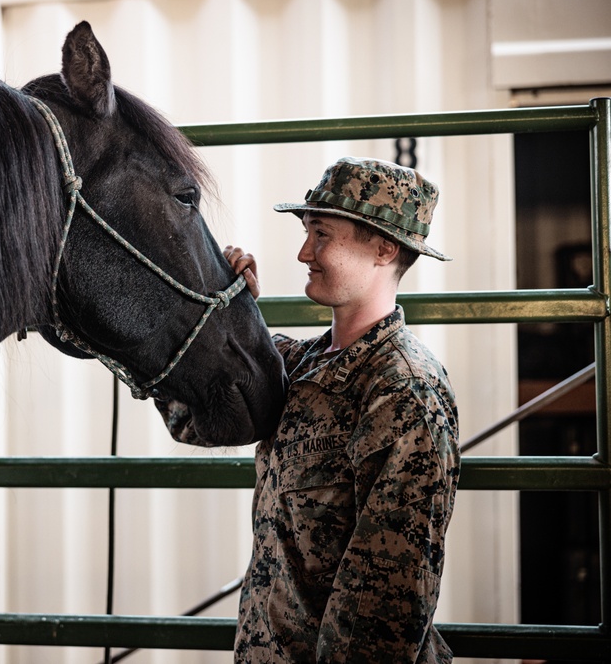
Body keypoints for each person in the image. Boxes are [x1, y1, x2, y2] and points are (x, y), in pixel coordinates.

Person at [159, 156, 461, 662]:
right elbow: (196, 417)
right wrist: (220, 307)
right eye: (307, 232)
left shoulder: (403, 390)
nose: (303, 252)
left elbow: (385, 606)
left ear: (385, 248)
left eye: (322, 234)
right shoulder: (296, 365)